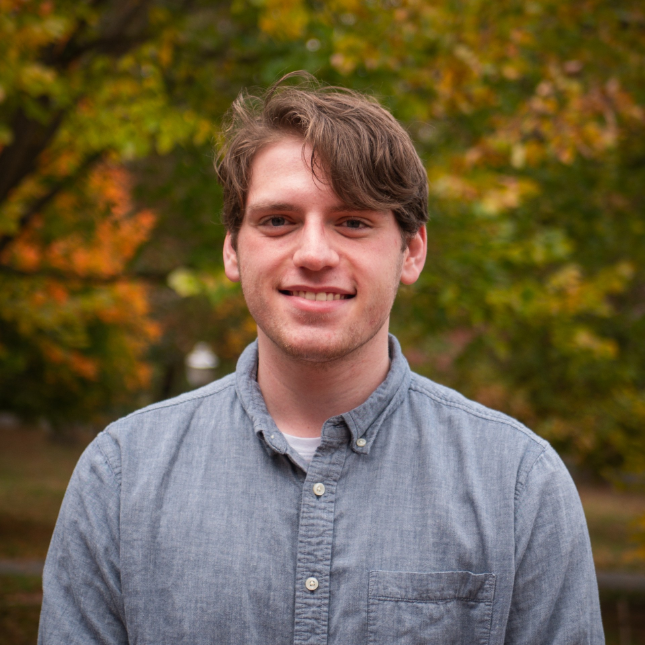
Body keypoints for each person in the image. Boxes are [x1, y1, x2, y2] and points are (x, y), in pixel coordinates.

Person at [39, 72, 604, 644]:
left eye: (353, 222)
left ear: (411, 252)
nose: (313, 254)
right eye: (278, 221)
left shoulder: (519, 483)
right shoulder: (120, 475)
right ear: (232, 249)